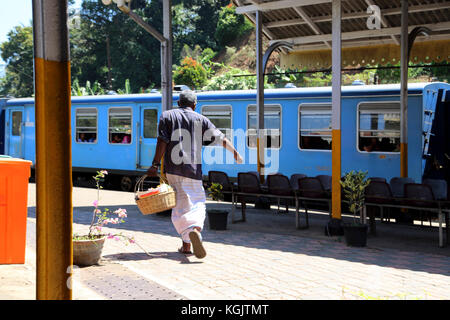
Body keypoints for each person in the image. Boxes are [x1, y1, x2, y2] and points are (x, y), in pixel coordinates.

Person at [146, 90, 243, 259]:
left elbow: (162, 141)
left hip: (173, 169)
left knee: (180, 206)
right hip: (193, 169)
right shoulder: (201, 119)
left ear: (178, 103)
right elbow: (221, 138)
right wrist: (235, 153)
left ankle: (186, 245)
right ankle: (195, 228)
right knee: (197, 202)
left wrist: (154, 164)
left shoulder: (166, 116)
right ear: (194, 105)